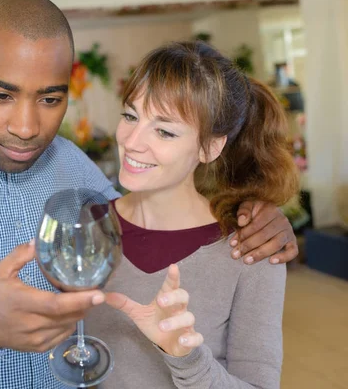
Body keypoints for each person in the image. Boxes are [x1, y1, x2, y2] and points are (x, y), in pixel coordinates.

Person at [0, 0, 299, 388]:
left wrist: (260, 215)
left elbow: (152, 213)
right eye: (1, 95)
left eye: (50, 99)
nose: (26, 127)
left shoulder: (76, 170)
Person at [84, 41, 299, 388]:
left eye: (164, 131)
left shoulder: (251, 250)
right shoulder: (83, 228)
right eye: (130, 116)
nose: (133, 140)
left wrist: (186, 358)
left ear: (210, 147)